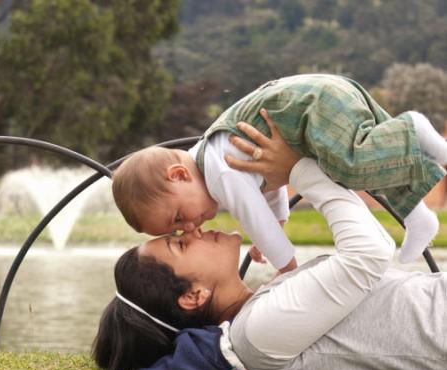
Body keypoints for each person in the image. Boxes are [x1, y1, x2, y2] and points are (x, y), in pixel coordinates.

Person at [94, 118, 446, 370]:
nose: (194, 229)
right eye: (181, 242)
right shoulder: (257, 334)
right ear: (193, 296)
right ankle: (412, 125)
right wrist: (298, 167)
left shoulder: (261, 313)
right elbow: (368, 254)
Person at [112, 73, 447, 270]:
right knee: (373, 161)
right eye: (181, 232)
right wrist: (280, 223)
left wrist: (286, 267)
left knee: (351, 166)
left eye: (178, 218)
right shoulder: (214, 156)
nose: (191, 227)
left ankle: (412, 126)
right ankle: (417, 215)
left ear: (179, 175)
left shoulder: (219, 174)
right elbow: (267, 186)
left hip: (316, 107)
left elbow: (254, 215)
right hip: (321, 95)